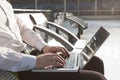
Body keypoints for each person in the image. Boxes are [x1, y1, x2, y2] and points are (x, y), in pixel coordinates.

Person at [0, 0, 107, 80]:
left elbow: (22, 28)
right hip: (12, 68)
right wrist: (35, 62)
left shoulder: (5, 3)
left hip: (25, 57)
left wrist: (44, 47)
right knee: (96, 79)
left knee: (95, 63)